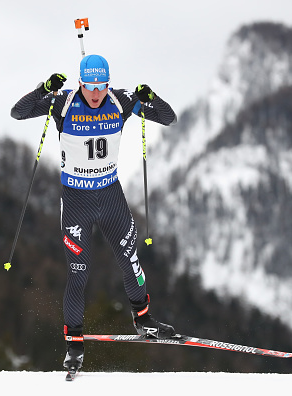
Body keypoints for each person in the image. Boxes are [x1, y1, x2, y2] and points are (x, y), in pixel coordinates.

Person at [10, 54, 177, 372]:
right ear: (80, 83)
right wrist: (42, 89)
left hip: (111, 196)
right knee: (79, 274)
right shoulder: (63, 103)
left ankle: (143, 320)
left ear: (108, 84)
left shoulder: (122, 101)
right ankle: (74, 344)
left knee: (131, 260)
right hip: (76, 202)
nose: (96, 93)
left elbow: (168, 118)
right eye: (90, 87)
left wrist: (151, 97)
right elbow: (18, 113)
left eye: (101, 86)